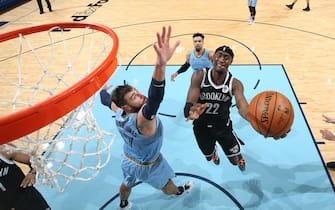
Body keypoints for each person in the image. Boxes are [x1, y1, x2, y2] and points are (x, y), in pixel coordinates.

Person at [100, 26, 194, 210]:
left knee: (126, 183)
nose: (141, 95)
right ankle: (177, 192)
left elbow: (106, 101)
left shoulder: (120, 112)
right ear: (127, 106)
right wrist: (161, 64)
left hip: (128, 159)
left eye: (136, 92)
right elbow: (155, 97)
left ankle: (123, 203)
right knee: (167, 184)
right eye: (134, 96)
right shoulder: (143, 120)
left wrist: (102, 91)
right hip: (148, 164)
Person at [183, 45, 249, 171]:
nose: (222, 59)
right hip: (201, 128)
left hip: (223, 128)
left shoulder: (235, 83)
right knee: (208, 157)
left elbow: (243, 107)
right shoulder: (199, 76)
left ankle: (239, 155)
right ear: (213, 57)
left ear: (231, 62)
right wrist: (191, 111)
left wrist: (257, 121)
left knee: (234, 161)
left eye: (226, 57)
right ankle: (214, 152)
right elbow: (189, 104)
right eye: (219, 55)